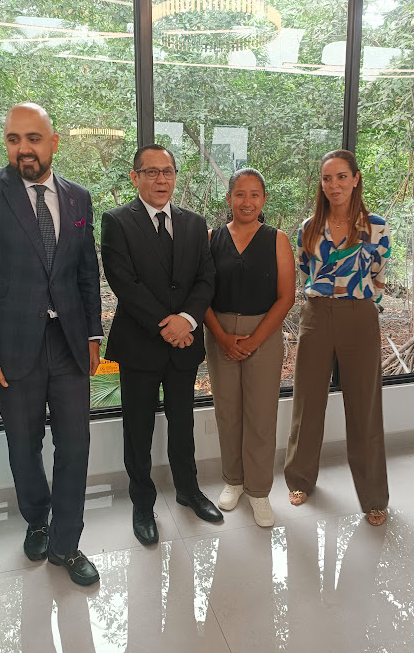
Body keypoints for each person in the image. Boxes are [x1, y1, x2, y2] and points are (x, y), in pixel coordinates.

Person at [0, 103, 103, 585]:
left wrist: (93, 334)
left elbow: (86, 272)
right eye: (13, 139)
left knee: (75, 446)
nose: (23, 148)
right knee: (23, 446)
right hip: (13, 346)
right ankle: (37, 519)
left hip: (69, 344)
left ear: (54, 142)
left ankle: (67, 543)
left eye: (33, 138)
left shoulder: (78, 198)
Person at [101, 144, 222, 547]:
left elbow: (206, 278)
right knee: (138, 428)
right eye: (151, 172)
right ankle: (142, 505)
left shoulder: (194, 222)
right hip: (139, 343)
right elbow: (124, 282)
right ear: (135, 177)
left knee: (183, 423)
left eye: (167, 171)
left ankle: (188, 490)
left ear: (175, 176)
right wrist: (166, 326)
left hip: (184, 342)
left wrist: (186, 320)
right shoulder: (117, 221)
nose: (160, 179)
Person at [284, 149, 390, 526]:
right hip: (316, 316)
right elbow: (305, 271)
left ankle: (374, 496)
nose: (334, 185)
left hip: (360, 317)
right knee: (307, 402)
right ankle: (299, 480)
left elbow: (378, 274)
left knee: (364, 406)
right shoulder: (309, 228)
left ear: (356, 179)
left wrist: (357, 300)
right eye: (327, 178)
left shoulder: (376, 227)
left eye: (342, 176)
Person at [204, 168, 295, 527]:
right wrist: (222, 337)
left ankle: (258, 490)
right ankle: (234, 481)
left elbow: (286, 297)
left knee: (261, 414)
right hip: (220, 333)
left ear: (264, 199)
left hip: (264, 333)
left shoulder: (277, 240)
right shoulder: (211, 239)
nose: (247, 201)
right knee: (227, 411)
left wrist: (255, 340)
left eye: (254, 194)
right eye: (240, 194)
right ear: (228, 198)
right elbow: (201, 294)